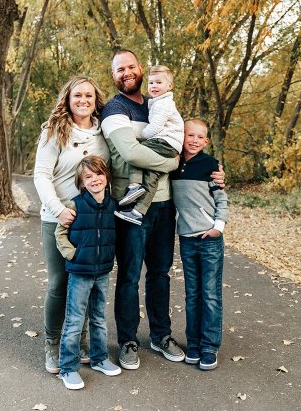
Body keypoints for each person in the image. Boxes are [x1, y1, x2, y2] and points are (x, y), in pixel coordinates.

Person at [101, 49, 225, 370]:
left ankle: (160, 334)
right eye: (119, 70)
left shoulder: (159, 103)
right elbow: (130, 152)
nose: (126, 73)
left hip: (165, 206)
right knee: (129, 276)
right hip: (132, 206)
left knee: (160, 274)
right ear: (113, 76)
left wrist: (212, 170)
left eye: (131, 67)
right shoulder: (115, 108)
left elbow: (185, 143)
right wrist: (171, 161)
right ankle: (128, 340)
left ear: (141, 70)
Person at [34, 76, 110, 374]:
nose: (83, 100)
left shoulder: (105, 131)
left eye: (88, 95)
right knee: (59, 283)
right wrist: (58, 209)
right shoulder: (54, 131)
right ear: (67, 98)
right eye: (77, 95)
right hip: (58, 218)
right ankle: (53, 344)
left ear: (95, 99)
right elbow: (41, 175)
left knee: (85, 284)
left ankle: (77, 340)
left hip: (92, 221)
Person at [55, 156, 121, 390]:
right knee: (74, 320)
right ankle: (68, 368)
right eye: (88, 176)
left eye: (99, 174)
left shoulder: (113, 205)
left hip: (102, 271)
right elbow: (59, 234)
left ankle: (100, 358)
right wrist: (73, 255)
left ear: (107, 176)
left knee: (99, 318)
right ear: (82, 183)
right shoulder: (75, 205)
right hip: (80, 272)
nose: (95, 179)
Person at [171, 119, 229, 371]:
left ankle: (209, 346)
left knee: (210, 294)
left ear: (206, 141)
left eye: (199, 137)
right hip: (186, 238)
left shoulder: (211, 165)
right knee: (192, 294)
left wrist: (218, 227)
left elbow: (221, 199)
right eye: (189, 135)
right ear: (181, 136)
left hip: (209, 239)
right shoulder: (172, 163)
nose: (194, 140)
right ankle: (193, 344)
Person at [114, 65, 184, 225]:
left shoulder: (164, 104)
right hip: (170, 144)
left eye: (159, 82)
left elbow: (156, 127)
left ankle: (135, 185)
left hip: (166, 142)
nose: (154, 86)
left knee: (137, 153)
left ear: (170, 86)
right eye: (151, 83)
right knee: (152, 175)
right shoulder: (157, 102)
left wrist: (140, 137)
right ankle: (138, 212)